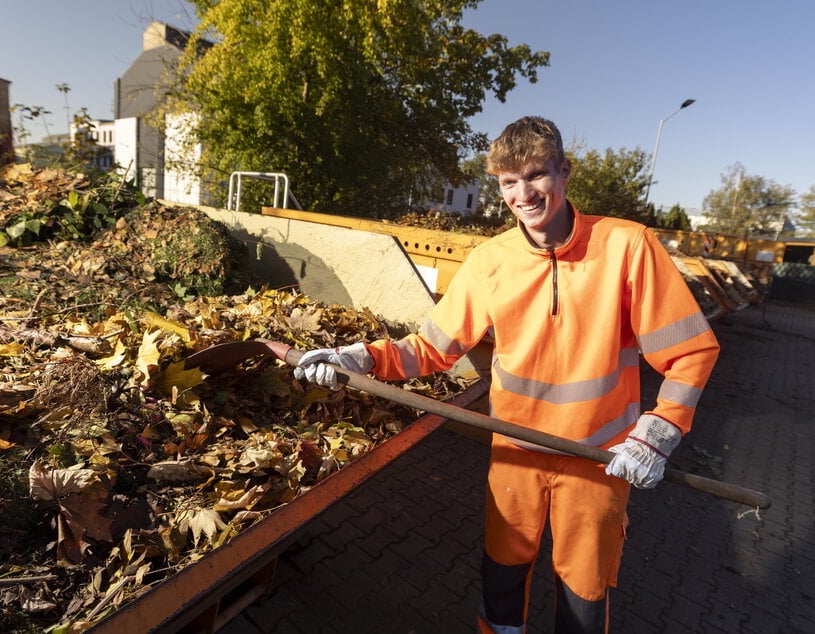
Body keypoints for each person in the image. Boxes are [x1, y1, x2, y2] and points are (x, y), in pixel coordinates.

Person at [293, 116, 720, 633]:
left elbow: (690, 352)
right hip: (515, 452)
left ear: (564, 171)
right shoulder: (489, 262)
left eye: (537, 174)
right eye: (508, 182)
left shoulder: (628, 248)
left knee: (583, 592)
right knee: (501, 577)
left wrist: (660, 431)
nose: (524, 194)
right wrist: (358, 357)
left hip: (598, 459)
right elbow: (431, 348)